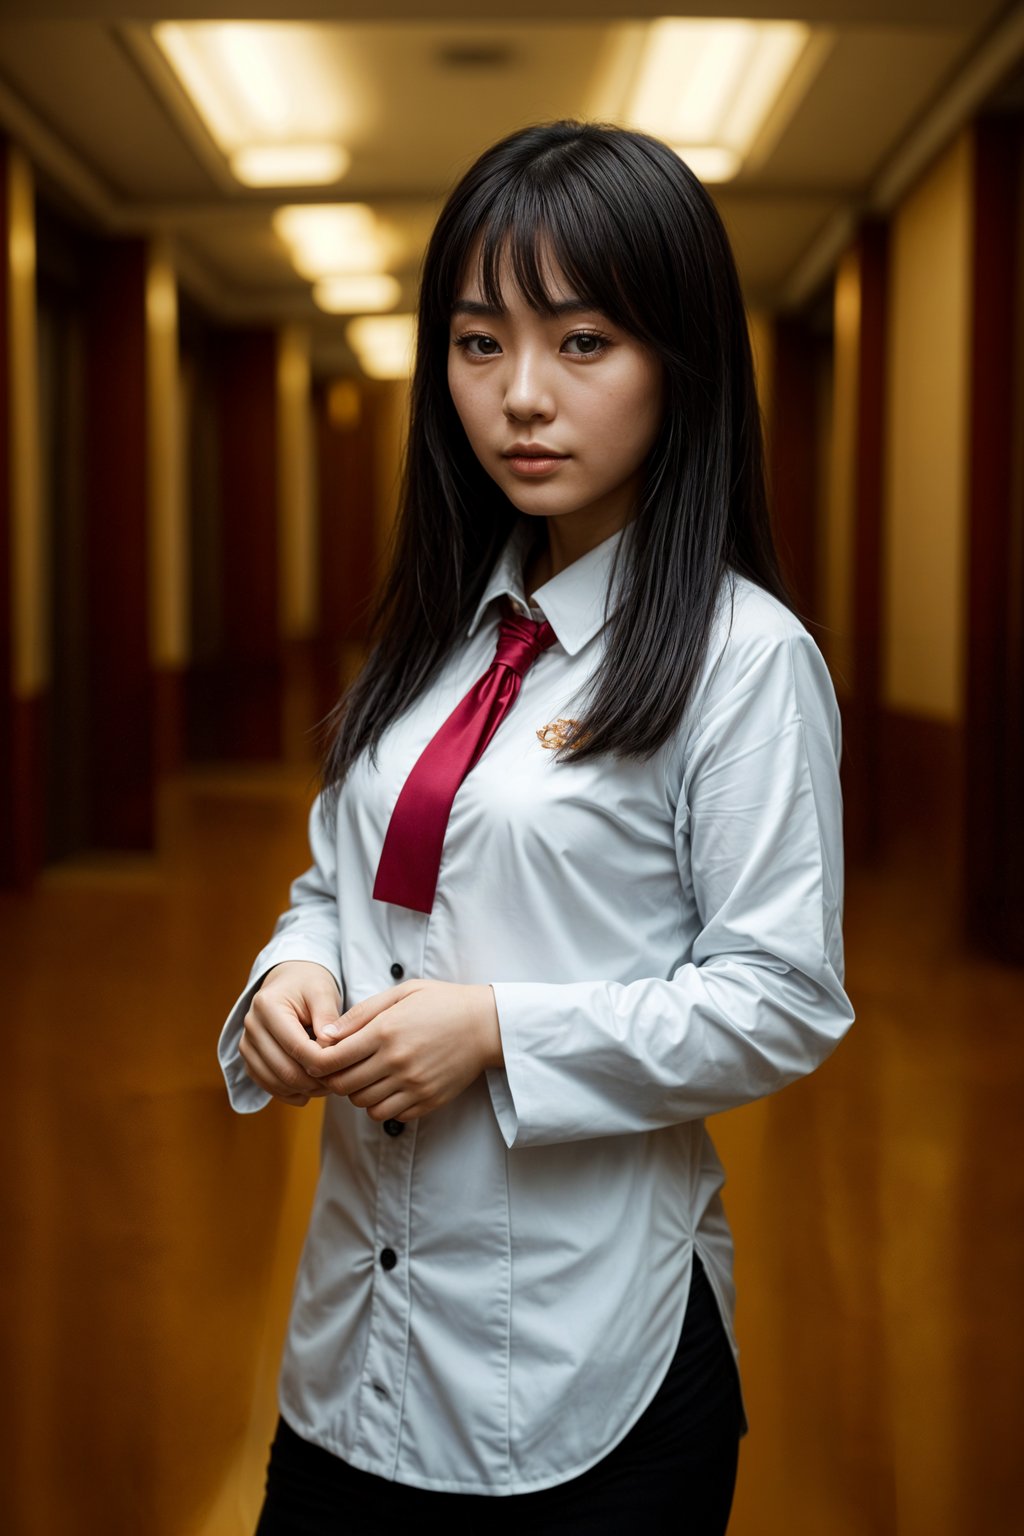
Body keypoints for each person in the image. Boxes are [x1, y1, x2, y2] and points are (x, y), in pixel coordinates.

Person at [218, 118, 854, 1535]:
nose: (519, 398)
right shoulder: (444, 627)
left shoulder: (743, 660)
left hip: (582, 1368)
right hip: (355, 1342)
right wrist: (290, 974)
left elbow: (783, 999)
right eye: (476, 341)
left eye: (581, 343)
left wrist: (499, 1028)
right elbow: (346, 877)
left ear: (677, 362)